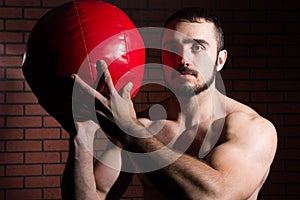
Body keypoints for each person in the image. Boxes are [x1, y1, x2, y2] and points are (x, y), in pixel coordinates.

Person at [70, 8, 277, 200]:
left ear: (220, 60)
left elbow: (215, 195)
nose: (183, 59)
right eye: (172, 48)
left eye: (198, 47)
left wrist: (132, 133)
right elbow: (93, 196)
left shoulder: (252, 129)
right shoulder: (142, 124)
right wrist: (81, 135)